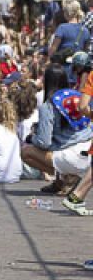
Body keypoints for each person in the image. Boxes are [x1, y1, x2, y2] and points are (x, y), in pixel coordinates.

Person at [23, 64, 93, 193]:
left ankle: (66, 178)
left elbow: (44, 142)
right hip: (89, 151)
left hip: (72, 156)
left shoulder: (48, 106)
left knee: (26, 152)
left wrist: (31, 138)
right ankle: (61, 182)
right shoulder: (76, 96)